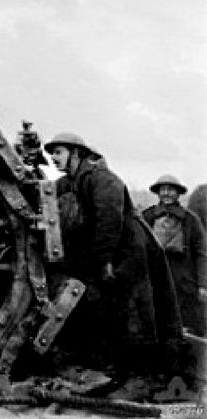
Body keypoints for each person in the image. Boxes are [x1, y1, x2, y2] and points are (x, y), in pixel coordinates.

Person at [44, 133, 182, 390]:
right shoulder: (67, 183)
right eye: (52, 153)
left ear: (77, 153)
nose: (53, 158)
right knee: (109, 309)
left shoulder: (103, 180)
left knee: (138, 311)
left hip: (130, 249)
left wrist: (104, 261)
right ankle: (117, 373)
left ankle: (143, 380)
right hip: (109, 251)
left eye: (59, 152)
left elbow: (109, 220)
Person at [143, 175, 207, 336]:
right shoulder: (147, 217)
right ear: (158, 193)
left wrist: (202, 284)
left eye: (170, 189)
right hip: (154, 276)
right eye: (163, 189)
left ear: (178, 193)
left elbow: (201, 253)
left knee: (185, 327)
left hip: (183, 280)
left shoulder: (191, 220)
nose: (166, 193)